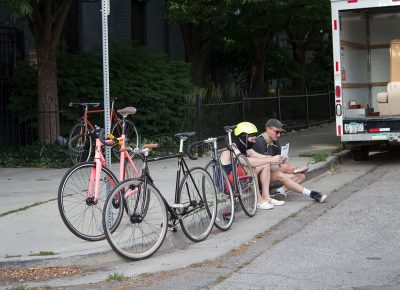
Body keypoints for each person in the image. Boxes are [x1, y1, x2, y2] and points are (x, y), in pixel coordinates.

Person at [251, 118, 327, 203]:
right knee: (280, 174)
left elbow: (279, 164)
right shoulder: (259, 142)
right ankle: (312, 194)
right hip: (260, 179)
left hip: (271, 175)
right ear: (268, 129)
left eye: (280, 132)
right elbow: (262, 166)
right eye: (277, 132)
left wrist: (294, 168)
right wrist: (283, 169)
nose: (279, 135)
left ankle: (279, 191)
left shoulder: (274, 142)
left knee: (301, 175)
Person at [220, 121, 285, 210]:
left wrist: (279, 158)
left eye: (255, 134)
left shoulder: (246, 149)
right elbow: (245, 162)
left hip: (238, 180)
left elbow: (263, 158)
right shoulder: (232, 148)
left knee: (265, 163)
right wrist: (271, 159)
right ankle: (259, 200)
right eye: (251, 135)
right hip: (226, 183)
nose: (255, 138)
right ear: (243, 137)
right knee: (250, 168)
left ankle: (266, 197)